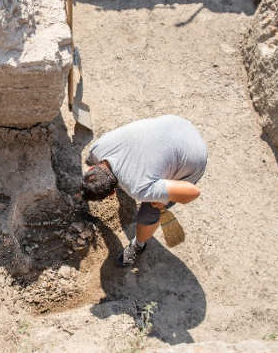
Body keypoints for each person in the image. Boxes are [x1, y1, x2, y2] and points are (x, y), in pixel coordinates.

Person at [80, 115, 207, 268]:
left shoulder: (139, 189)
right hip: (176, 124)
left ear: (112, 193)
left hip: (193, 154)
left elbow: (193, 192)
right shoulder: (98, 148)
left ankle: (138, 245)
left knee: (150, 212)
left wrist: (163, 201)